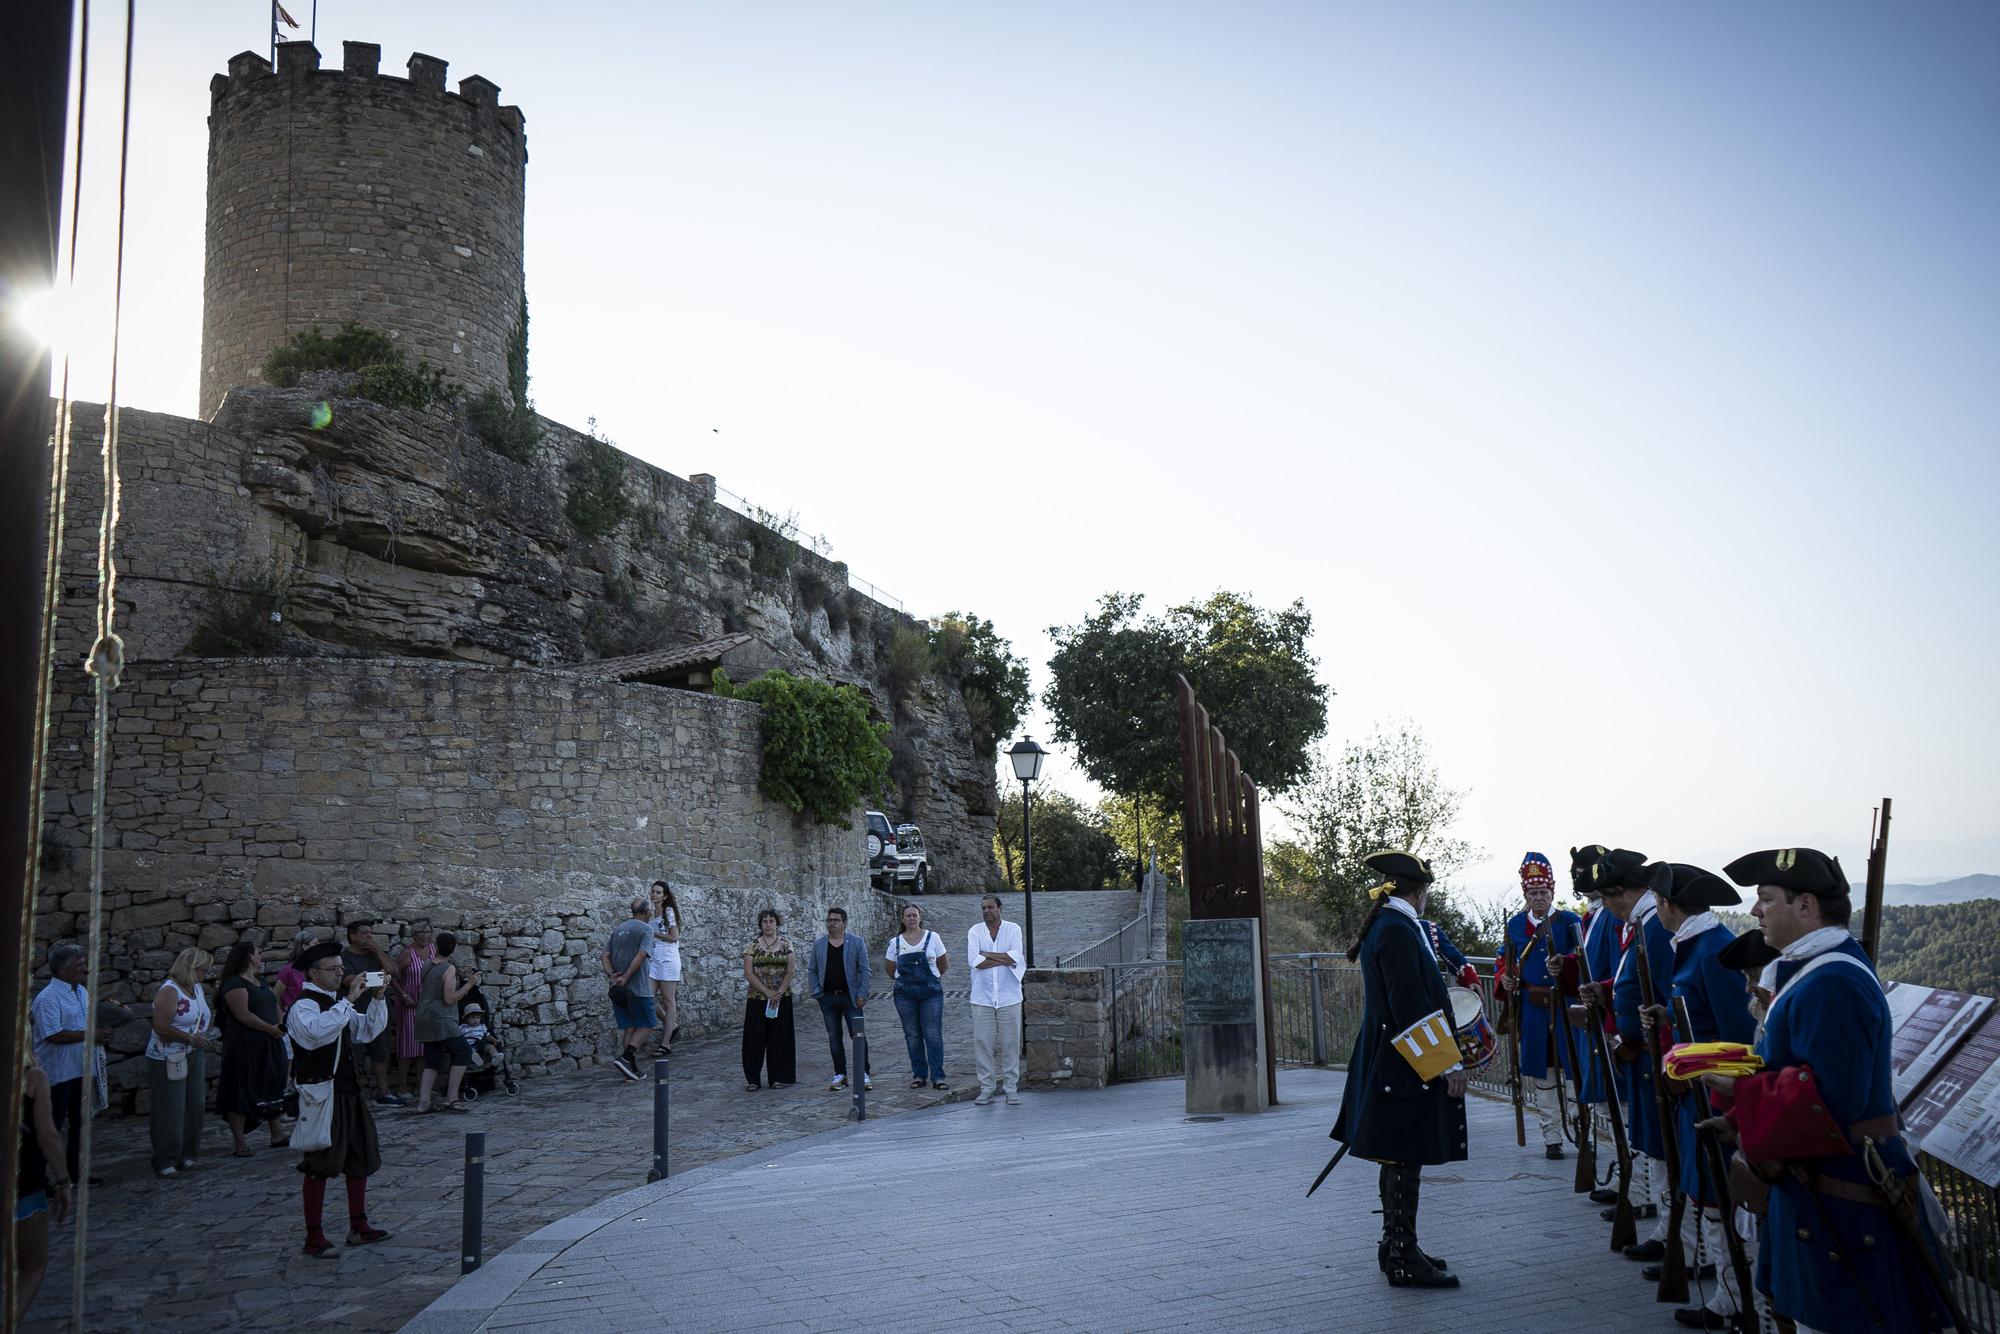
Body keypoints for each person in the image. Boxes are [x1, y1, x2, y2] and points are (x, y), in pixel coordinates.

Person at [1710, 847, 1953, 1334]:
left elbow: (1826, 1101)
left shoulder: (1833, 982)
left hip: (1840, 1196)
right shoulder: (1816, 969)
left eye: (1767, 899)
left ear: (1806, 906)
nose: (1756, 910)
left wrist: (1738, 1090)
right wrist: (1740, 1115)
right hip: (1820, 1190)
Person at [1327, 850, 1468, 1290]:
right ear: (1420, 890)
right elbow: (1410, 1008)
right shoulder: (1398, 931)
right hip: (1405, 1063)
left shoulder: (1394, 925)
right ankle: (1403, 1256)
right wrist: (1447, 1063)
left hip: (1396, 1059)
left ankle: (1398, 1247)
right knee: (1404, 1157)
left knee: (1400, 1158)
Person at [1642, 863, 1756, 1331]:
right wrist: (1667, 1015)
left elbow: (1735, 1037)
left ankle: (1734, 1301)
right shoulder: (1696, 944)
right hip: (1698, 1095)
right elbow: (1697, 1016)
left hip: (1717, 1100)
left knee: (1720, 1201)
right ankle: (1727, 1298)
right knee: (1706, 1198)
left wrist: (1696, 1067)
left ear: (1669, 906)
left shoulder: (1712, 951)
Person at [1585, 850, 1681, 1265]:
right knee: (1655, 1149)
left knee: (1665, 1150)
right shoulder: (1639, 925)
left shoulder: (1653, 929)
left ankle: (1680, 1238)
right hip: (1642, 1056)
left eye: (1608, 897)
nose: (1606, 906)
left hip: (1656, 1058)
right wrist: (1607, 990)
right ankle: (1668, 1230)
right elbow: (1630, 981)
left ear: (1624, 892)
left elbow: (1666, 992)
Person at [287, 940, 392, 1258]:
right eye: (333, 969)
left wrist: (377, 999)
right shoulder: (303, 1006)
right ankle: (313, 1235)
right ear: (314, 972)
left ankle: (359, 1225)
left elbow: (366, 1031)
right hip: (321, 1094)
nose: (339, 974)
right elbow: (315, 1034)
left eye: (341, 969)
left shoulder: (336, 1003)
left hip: (348, 1091)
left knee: (360, 1156)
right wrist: (347, 1000)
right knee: (320, 1162)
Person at [1494, 851, 1584, 1159]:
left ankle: (1578, 1127)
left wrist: (1568, 963)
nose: (1538, 898)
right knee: (1543, 1074)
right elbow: (1503, 962)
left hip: (1566, 1006)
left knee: (1573, 1070)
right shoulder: (1516, 926)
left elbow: (1585, 959)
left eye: (1543, 893)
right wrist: (1505, 978)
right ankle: (1551, 1135)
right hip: (1533, 1009)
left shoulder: (1570, 921)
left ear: (1552, 891)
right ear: (1525, 893)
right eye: (1533, 893)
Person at [29, 941, 109, 1187]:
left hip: (80, 1069)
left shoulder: (81, 992)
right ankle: (37, 1180)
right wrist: (90, 1035)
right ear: (62, 969)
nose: (84, 968)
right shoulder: (48, 998)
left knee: (81, 1124)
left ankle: (77, 1173)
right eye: (79, 965)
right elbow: (53, 1034)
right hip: (57, 1072)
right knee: (50, 1125)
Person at [146, 947, 219, 1178]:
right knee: (170, 1107)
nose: (206, 974)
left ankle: (187, 1152)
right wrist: (190, 1037)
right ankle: (166, 1157)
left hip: (193, 1052)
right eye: (203, 969)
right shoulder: (170, 990)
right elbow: (161, 1026)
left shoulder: (195, 988)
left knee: (194, 1103)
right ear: (191, 967)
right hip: (169, 1054)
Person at [214, 938, 290, 1156]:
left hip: (269, 1042)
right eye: (258, 952)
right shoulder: (234, 984)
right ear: (248, 956)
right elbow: (243, 1015)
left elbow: (273, 1004)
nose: (261, 955)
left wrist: (280, 1023)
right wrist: (269, 1028)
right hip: (245, 1046)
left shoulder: (259, 982)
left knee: (272, 1084)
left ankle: (277, 1133)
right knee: (240, 1089)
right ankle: (240, 1143)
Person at [14, 1059, 72, 1322]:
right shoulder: (32, 1078)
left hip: (23, 1186)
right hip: (23, 1187)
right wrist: (63, 1181)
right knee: (33, 1265)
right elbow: (48, 1136)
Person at [966, 894, 1025, 1106]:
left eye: (990, 907)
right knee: (982, 1044)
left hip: (1009, 996)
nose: (986, 911)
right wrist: (1002, 958)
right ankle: (987, 1089)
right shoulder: (975, 931)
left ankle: (1011, 1089)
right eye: (983, 908)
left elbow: (1016, 958)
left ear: (1000, 909)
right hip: (982, 997)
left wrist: (988, 954)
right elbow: (975, 961)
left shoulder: (1013, 929)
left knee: (1010, 1044)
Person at [340, 920, 406, 1107]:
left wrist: (378, 952)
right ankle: (355, 1096)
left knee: (381, 1053)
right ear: (352, 936)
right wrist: (381, 978)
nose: (369, 937)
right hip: (355, 1014)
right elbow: (350, 981)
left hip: (378, 1012)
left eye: (371, 933)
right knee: (354, 1056)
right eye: (364, 933)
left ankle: (383, 1093)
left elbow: (394, 972)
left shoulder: (375, 955)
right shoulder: (344, 958)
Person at [808, 906, 873, 1092]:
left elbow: (865, 970)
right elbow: (812, 969)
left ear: (844, 923)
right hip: (828, 999)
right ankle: (840, 1074)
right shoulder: (819, 944)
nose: (832, 924)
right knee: (834, 1038)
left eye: (836, 920)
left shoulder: (856, 942)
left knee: (858, 1036)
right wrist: (816, 992)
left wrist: (862, 994)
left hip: (851, 998)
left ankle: (864, 1073)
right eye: (829, 920)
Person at [885, 902, 949, 1089]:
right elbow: (890, 969)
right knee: (912, 1035)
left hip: (931, 994)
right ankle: (919, 1075)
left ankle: (938, 1076)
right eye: (908, 916)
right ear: (903, 919)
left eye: (915, 915)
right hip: (905, 996)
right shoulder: (895, 943)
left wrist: (931, 980)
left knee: (933, 1035)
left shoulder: (933, 937)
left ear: (920, 917)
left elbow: (943, 964)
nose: (912, 918)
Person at [415, 931, 479, 1112]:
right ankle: (452, 1098)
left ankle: (424, 1102)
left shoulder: (427, 964)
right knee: (463, 1053)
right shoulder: (449, 968)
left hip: (423, 1017)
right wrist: (469, 984)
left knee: (432, 1060)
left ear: (436, 947)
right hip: (442, 1019)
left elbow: (433, 983)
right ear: (453, 949)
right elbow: (449, 999)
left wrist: (459, 974)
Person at [741, 908, 797, 1091]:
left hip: (781, 998)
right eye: (765, 921)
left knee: (779, 1038)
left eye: (771, 921)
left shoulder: (786, 945)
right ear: (760, 925)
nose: (768, 925)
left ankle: (777, 1077)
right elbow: (748, 973)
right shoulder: (753, 946)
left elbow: (790, 971)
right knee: (754, 1039)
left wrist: (778, 993)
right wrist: (767, 992)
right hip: (757, 998)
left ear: (777, 923)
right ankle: (753, 1079)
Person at [603, 898, 658, 1080]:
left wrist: (613, 975)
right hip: (638, 987)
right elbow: (642, 954)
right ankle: (627, 1058)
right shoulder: (646, 930)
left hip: (618, 989)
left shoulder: (618, 930)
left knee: (630, 1027)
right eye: (649, 909)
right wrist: (626, 976)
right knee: (648, 1023)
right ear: (644, 911)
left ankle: (629, 1069)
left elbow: (605, 955)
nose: (651, 912)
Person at [393, 920, 438, 1099]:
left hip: (429, 1005)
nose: (426, 935)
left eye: (429, 931)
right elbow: (393, 976)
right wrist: (403, 995)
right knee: (407, 1047)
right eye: (422, 932)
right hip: (411, 1004)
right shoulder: (407, 953)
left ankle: (422, 1086)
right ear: (414, 934)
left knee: (424, 1047)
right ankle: (403, 1088)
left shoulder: (434, 950)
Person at [647, 881, 683, 1058]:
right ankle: (672, 1025)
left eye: (658, 892)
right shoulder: (651, 912)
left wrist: (653, 933)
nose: (654, 895)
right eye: (653, 892)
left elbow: (674, 937)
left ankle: (666, 1043)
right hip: (654, 957)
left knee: (668, 1001)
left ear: (665, 896)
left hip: (668, 957)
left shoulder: (668, 912)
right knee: (646, 996)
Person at [459, 999, 517, 1094]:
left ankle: (495, 1057)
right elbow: (459, 1037)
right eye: (472, 1018)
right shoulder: (463, 1028)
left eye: (477, 1018)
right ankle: (475, 1058)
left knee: (491, 1047)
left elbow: (488, 1035)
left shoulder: (482, 1027)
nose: (475, 1020)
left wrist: (494, 1040)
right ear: (466, 1019)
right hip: (470, 1045)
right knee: (470, 1050)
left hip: (482, 1044)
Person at [275, 928, 321, 1010]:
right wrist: (282, 1016)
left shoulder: (317, 968)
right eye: (315, 943)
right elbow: (276, 996)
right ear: (305, 947)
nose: (319, 946)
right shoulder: (289, 970)